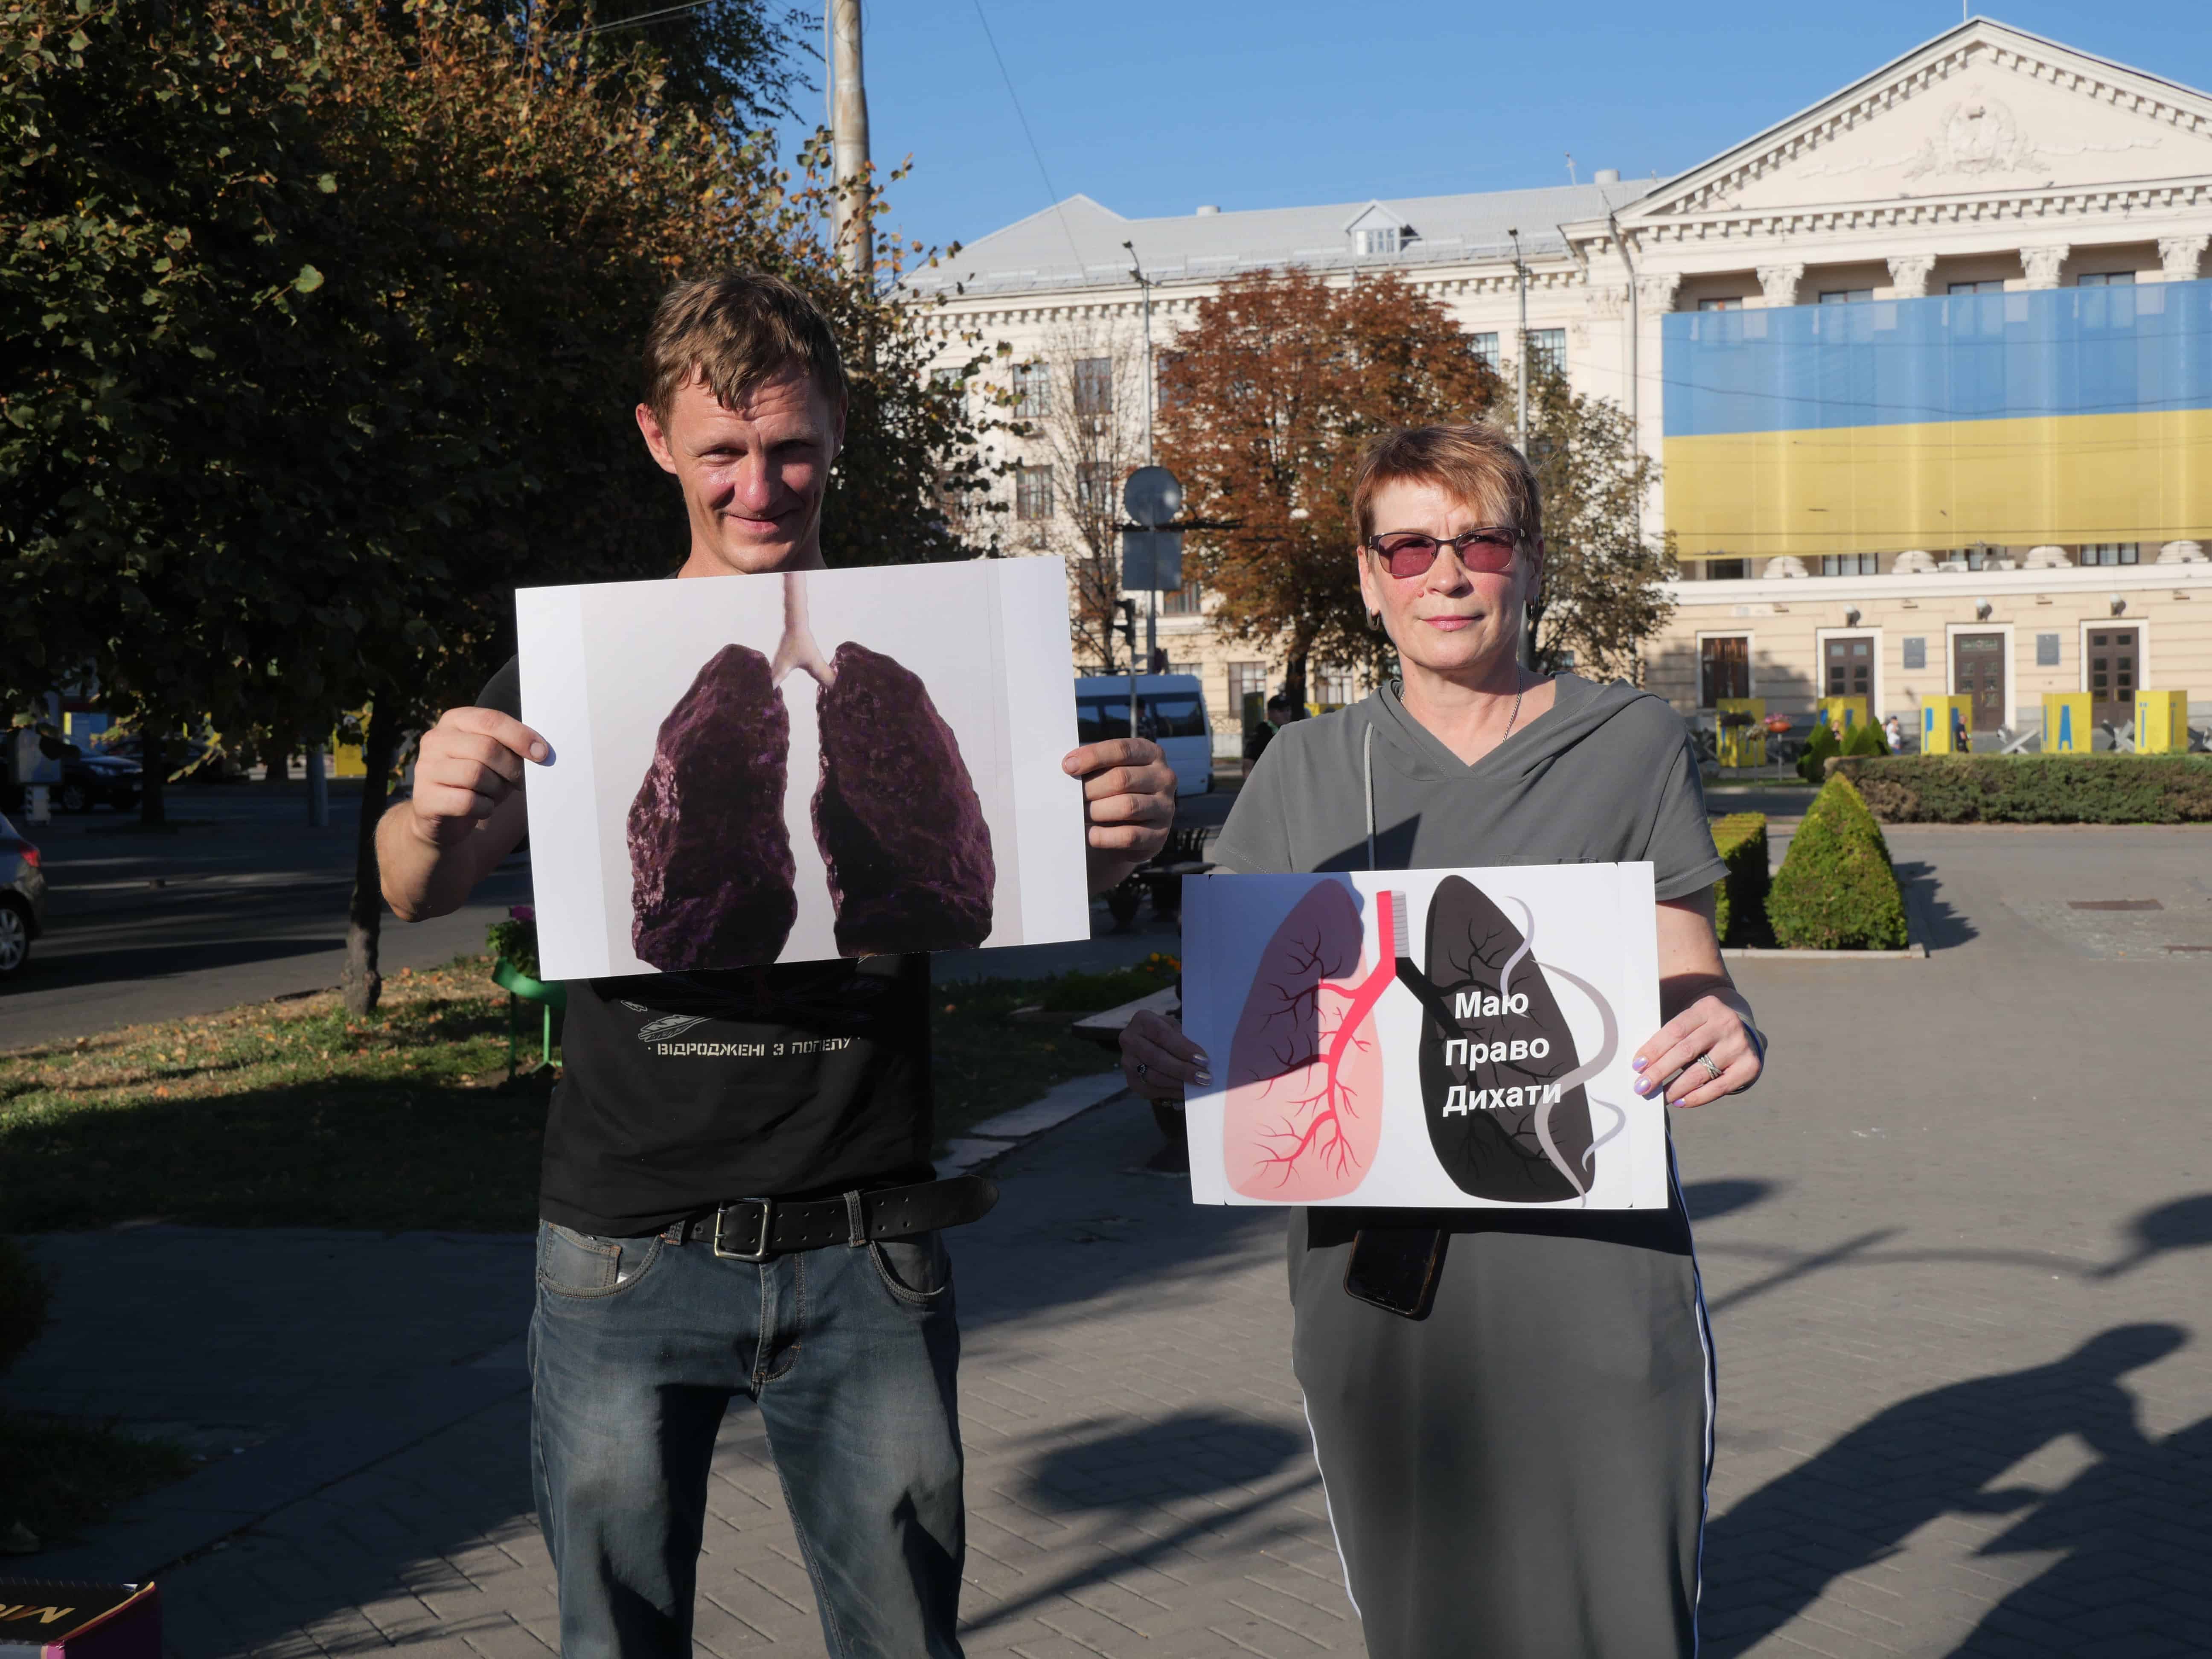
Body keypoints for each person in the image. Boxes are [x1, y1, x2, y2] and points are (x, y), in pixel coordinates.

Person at [377, 271, 1177, 1659]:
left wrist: (1112, 841)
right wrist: (430, 807)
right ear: (655, 441)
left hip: (868, 1244)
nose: (761, 486)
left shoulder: (935, 655)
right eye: (723, 455)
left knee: (901, 1640)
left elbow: (1027, 884)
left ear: (839, 432)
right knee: (613, 1639)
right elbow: (416, 882)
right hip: (625, 1249)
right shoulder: (580, 668)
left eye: (793, 448)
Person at [1118, 423, 1767, 1659]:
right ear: (1369, 578)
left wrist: (1719, 1023)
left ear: (1528, 562)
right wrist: (1169, 1057)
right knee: (1433, 1621)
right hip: (1382, 1284)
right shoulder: (1307, 767)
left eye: (1480, 541)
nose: (1447, 575)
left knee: (1619, 1606)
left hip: (1595, 1263)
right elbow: (1237, 1013)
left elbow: (1687, 960)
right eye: (1410, 547)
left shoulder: (1627, 741)